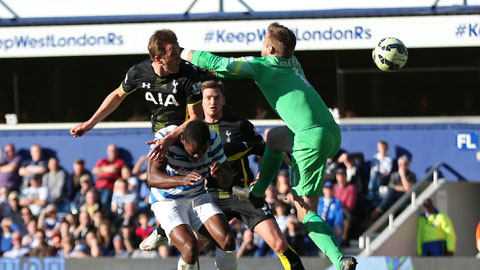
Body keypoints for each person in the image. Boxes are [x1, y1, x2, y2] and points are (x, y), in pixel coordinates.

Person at [181, 22, 356, 269]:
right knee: (274, 138)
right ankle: (258, 192)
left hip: (309, 138)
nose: (261, 45)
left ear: (271, 49)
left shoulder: (264, 66)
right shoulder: (294, 63)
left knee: (305, 213)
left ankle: (340, 262)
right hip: (330, 132)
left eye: (264, 42)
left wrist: (182, 52)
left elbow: (220, 64)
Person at [70, 29, 207, 156]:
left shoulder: (188, 74)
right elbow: (118, 95)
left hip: (187, 139)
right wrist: (89, 124)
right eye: (173, 54)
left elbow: (196, 118)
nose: (179, 58)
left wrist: (168, 139)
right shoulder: (139, 73)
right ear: (158, 59)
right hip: (160, 139)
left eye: (179, 52)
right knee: (156, 177)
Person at [146, 120, 237, 270]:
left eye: (202, 151)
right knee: (190, 248)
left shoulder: (213, 140)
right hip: (167, 200)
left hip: (198, 196)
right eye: (194, 151)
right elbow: (152, 178)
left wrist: (221, 174)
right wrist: (182, 180)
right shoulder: (165, 138)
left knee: (227, 241)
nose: (198, 156)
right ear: (182, 139)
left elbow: (227, 181)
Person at [92, 144, 129, 208]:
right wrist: (108, 169)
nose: (112, 153)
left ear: (117, 152)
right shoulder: (102, 160)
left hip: (109, 187)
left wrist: (101, 169)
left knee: (104, 201)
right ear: (107, 152)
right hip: (97, 187)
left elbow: (114, 169)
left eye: (114, 151)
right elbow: (94, 170)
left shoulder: (120, 161)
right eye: (110, 151)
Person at [333, 167, 357, 247]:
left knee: (344, 219)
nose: (340, 177)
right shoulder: (332, 187)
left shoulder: (351, 188)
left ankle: (343, 239)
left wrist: (339, 208)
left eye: (342, 175)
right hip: (333, 210)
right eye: (339, 175)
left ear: (346, 176)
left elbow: (350, 205)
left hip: (345, 211)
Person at [317, 181, 344, 245]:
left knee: (337, 229)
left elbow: (339, 216)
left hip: (331, 226)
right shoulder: (319, 201)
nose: (328, 191)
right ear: (323, 190)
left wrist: (336, 225)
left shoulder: (337, 202)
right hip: (320, 225)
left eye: (330, 189)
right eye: (327, 189)